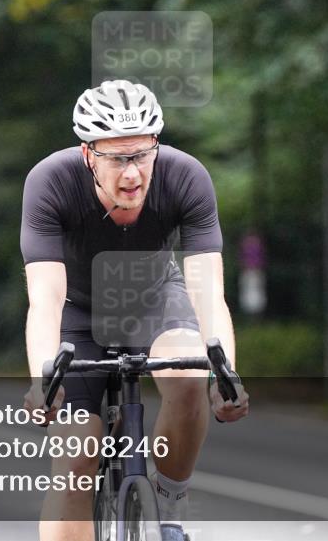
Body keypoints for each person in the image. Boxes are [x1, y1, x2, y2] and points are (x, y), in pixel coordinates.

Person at [21, 80, 250, 541]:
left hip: (154, 299)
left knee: (189, 376)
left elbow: (207, 293)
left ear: (157, 147)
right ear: (88, 155)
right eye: (116, 158)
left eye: (142, 155)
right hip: (79, 314)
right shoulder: (50, 181)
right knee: (75, 461)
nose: (132, 173)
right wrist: (42, 382)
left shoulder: (186, 176)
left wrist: (226, 376)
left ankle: (168, 506)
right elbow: (44, 299)